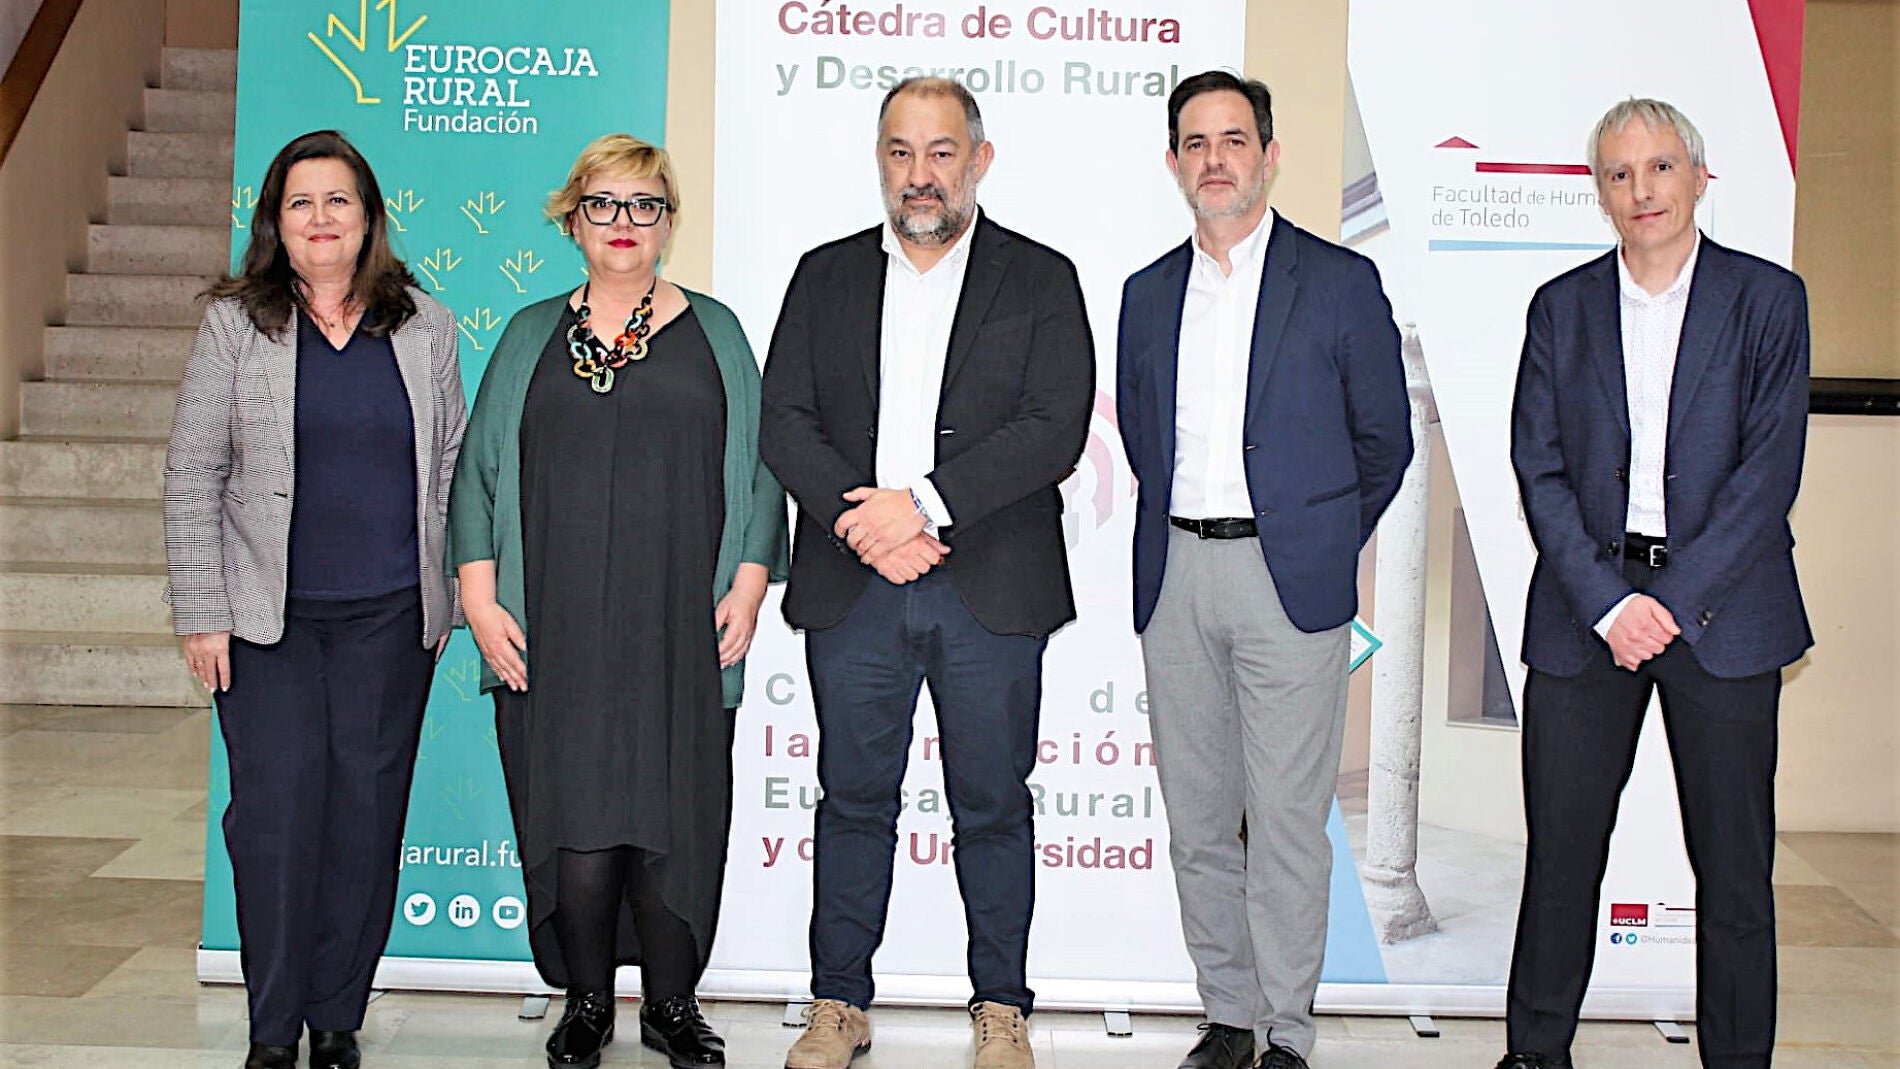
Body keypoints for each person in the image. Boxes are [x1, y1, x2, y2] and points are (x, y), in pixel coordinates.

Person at [759, 77, 1094, 1069]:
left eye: (941, 152)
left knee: (992, 804)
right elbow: (786, 421)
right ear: (880, 161)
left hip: (990, 585)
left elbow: (1054, 426)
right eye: (900, 152)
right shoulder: (824, 276)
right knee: (852, 800)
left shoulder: (1040, 278)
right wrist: (867, 524)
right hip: (854, 581)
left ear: (978, 160)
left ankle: (1001, 1007)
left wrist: (924, 505)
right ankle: (838, 1002)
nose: (920, 174)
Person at [447, 134, 788, 1069]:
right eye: (603, 204)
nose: (624, 222)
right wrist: (479, 594)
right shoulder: (528, 335)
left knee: (677, 815)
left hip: (682, 628)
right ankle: (586, 1001)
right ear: (574, 221)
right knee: (574, 813)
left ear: (669, 222)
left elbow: (762, 468)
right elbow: (477, 475)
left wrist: (749, 583)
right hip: (551, 628)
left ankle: (673, 1004)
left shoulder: (717, 332)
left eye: (645, 204)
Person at [1495, 98, 1810, 1069]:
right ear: (1600, 192)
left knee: (1734, 874)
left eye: (1661, 167)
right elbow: (1538, 467)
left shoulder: (1768, 300)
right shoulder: (1560, 308)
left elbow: (1768, 474)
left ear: (1699, 177)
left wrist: (1667, 605)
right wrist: (1609, 603)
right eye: (1620, 173)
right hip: (1585, 612)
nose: (1642, 190)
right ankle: (1534, 1053)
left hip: (1726, 612)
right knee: (1560, 860)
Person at [1114, 72, 1412, 1069]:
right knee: (1198, 821)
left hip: (1290, 585)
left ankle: (1287, 1029)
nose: (1215, 159)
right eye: (1195, 143)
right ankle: (1229, 1017)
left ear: (1269, 155)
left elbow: (1386, 441)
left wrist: (1320, 537)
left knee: (1285, 823)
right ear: (1173, 163)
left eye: (1233, 139)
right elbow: (1146, 441)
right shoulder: (1146, 294)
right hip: (1176, 578)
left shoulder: (1338, 282)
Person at [164, 129, 466, 1069]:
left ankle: (337, 1016)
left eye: (339, 200)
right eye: (301, 202)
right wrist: (201, 611)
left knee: (365, 821)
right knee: (275, 824)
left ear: (368, 218)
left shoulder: (425, 324)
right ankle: (272, 1027)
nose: (322, 218)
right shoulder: (236, 324)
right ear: (277, 223)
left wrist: (455, 592)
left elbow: (451, 467)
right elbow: (193, 471)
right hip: (268, 624)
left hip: (390, 618)